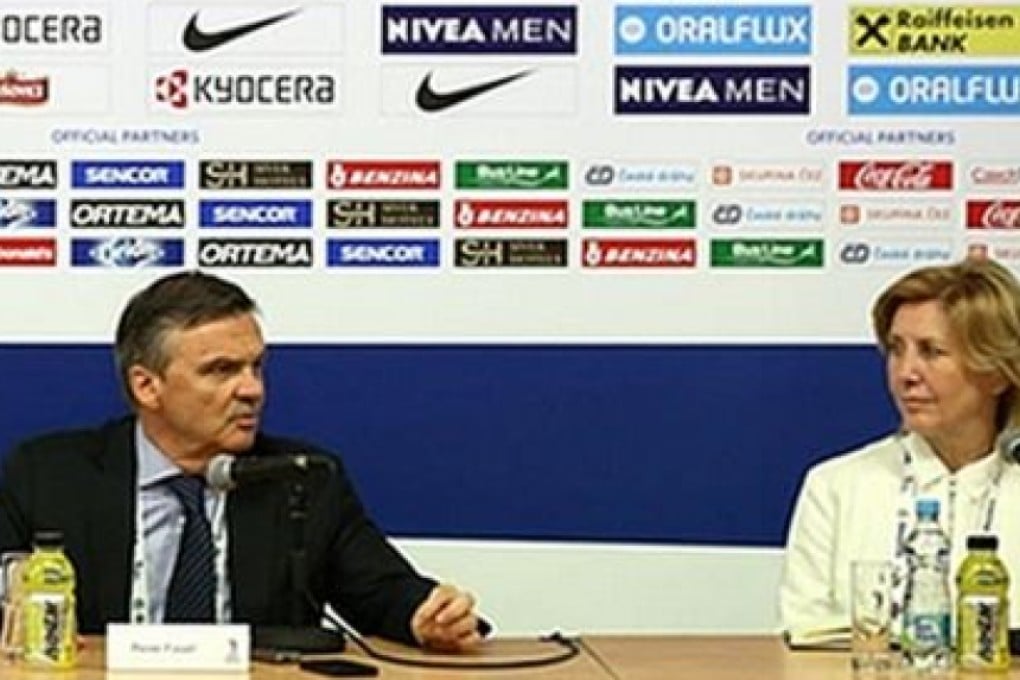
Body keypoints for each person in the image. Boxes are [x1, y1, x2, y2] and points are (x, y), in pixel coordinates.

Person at [0, 271, 486, 651]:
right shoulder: (47, 474)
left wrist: (428, 616)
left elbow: (383, 595)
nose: (252, 389)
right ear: (147, 386)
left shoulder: (303, 478)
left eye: (256, 367)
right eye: (222, 370)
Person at [779, 257, 1020, 631]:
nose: (905, 373)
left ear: (997, 372)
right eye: (896, 349)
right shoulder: (836, 486)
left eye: (931, 351)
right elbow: (801, 634)